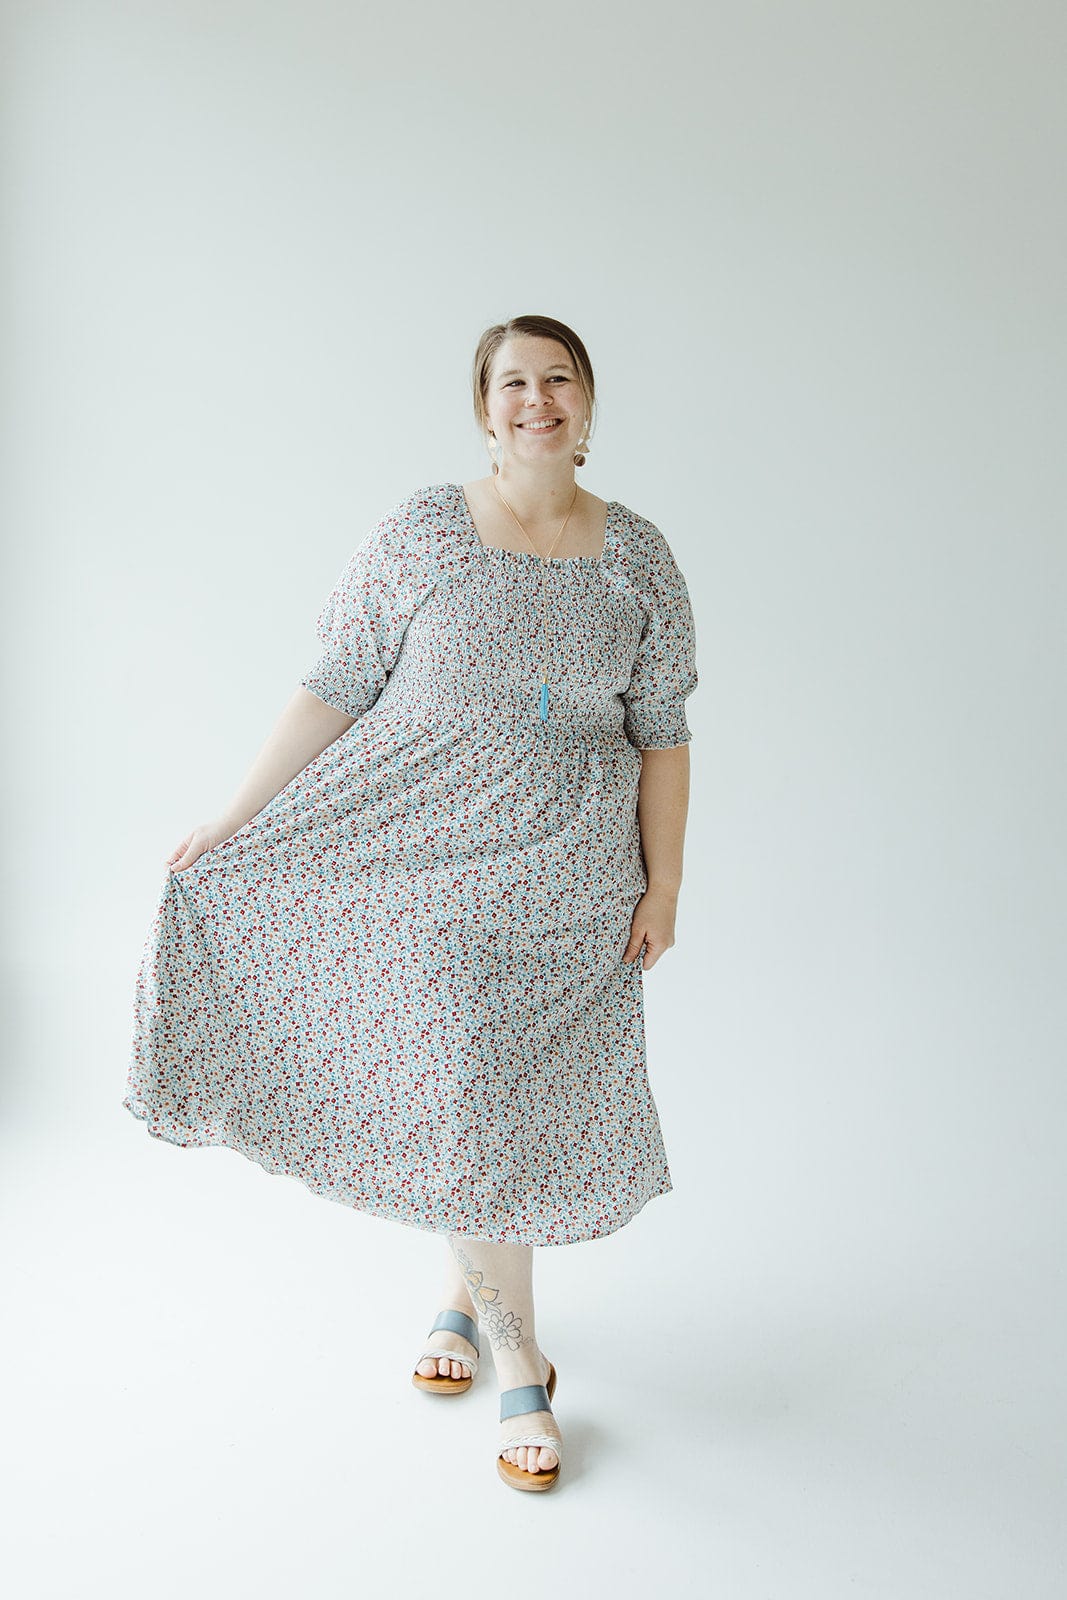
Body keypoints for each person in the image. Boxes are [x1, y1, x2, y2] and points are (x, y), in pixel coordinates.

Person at [123, 313, 698, 1493]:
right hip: (420, 855)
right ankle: (520, 1361)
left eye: (558, 380)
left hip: (572, 871)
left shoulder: (637, 554)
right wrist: (232, 819)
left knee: (504, 1102)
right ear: (481, 409)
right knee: (467, 1081)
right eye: (512, 383)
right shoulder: (427, 529)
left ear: (588, 406)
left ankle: (458, 1290)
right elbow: (335, 683)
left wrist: (667, 878)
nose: (535, 399)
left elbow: (663, 732)